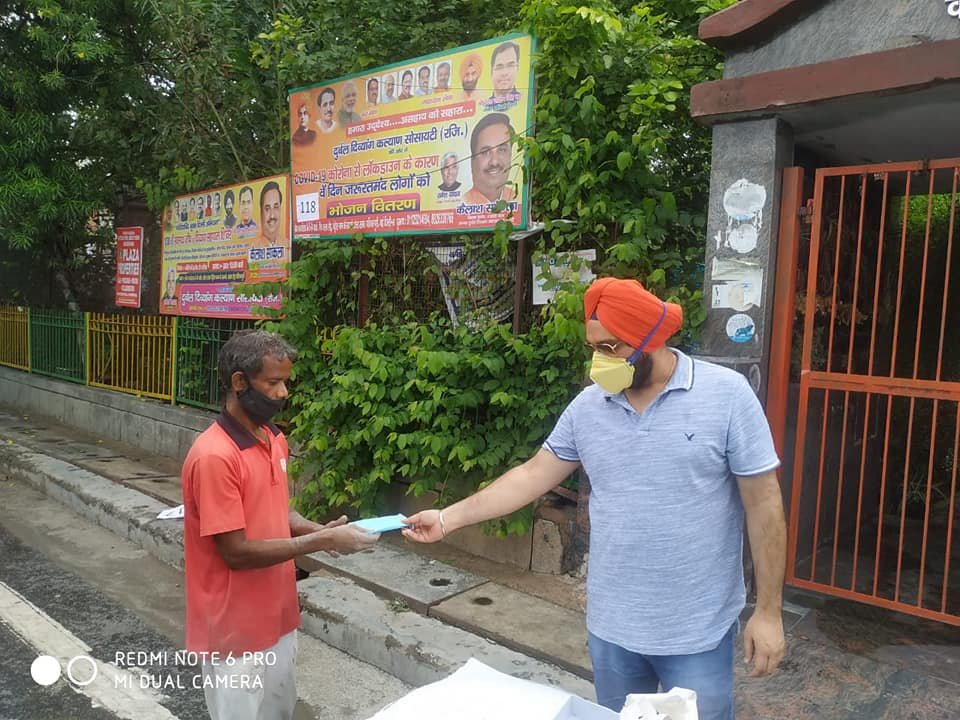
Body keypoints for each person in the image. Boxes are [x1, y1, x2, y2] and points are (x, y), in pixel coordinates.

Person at [403, 277, 788, 719]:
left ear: (652, 340)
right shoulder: (589, 407)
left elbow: (765, 507)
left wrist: (770, 612)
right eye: (593, 347)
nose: (598, 362)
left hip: (696, 633)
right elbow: (530, 475)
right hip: (613, 632)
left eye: (611, 348)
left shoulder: (726, 396)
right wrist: (448, 518)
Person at [182, 329, 379, 720]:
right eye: (273, 382)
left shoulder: (274, 439)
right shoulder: (214, 457)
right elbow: (235, 551)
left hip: (279, 616)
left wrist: (318, 529)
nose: (284, 392)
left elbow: (278, 514)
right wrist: (321, 543)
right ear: (240, 383)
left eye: (286, 381)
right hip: (232, 631)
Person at [463, 113, 516, 204]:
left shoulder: (516, 199)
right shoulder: (462, 203)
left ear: (510, 155)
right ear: (472, 162)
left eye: (502, 150)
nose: (494, 162)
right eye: (485, 152)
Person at [484, 41, 521, 111]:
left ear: (517, 67)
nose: (505, 73)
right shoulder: (483, 106)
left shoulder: (523, 101)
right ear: (491, 71)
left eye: (510, 65)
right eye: (499, 67)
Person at [254, 181, 283, 248]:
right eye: (267, 209)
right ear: (261, 213)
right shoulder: (253, 248)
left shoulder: (287, 246)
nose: (272, 215)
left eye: (276, 207)